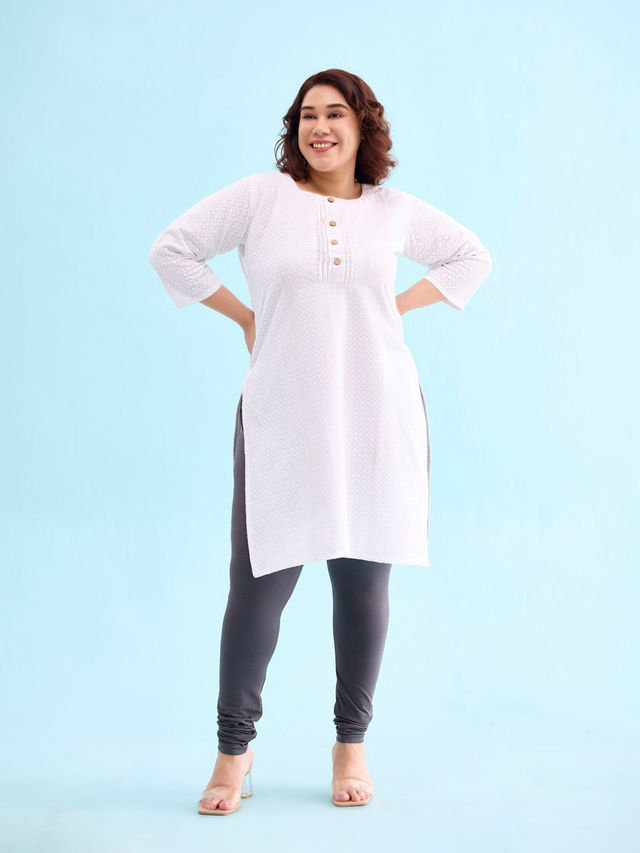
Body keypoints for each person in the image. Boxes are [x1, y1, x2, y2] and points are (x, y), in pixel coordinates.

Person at [148, 68, 493, 814]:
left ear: (363, 127)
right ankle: (233, 750)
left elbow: (471, 256)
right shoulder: (259, 198)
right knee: (257, 586)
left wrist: (396, 305)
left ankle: (351, 742)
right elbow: (172, 249)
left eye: (336, 114)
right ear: (294, 128)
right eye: (308, 115)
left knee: (363, 585)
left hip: (378, 410)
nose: (320, 127)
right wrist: (245, 316)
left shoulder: (393, 211)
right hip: (282, 409)